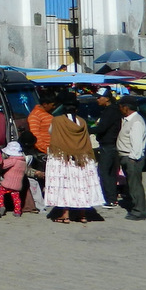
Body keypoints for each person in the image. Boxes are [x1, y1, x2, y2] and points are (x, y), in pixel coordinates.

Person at [45, 92, 104, 223]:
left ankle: (65, 215)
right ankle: (82, 215)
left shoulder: (57, 121)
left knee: (66, 185)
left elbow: (51, 132)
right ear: (76, 109)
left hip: (64, 158)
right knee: (81, 185)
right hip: (81, 158)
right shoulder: (82, 122)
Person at [117, 96, 146, 220]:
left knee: (135, 185)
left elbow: (136, 143)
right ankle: (137, 207)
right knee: (132, 185)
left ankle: (139, 211)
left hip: (132, 159)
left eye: (121, 107)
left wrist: (132, 159)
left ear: (126, 107)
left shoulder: (136, 121)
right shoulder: (127, 120)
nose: (120, 109)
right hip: (126, 157)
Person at [91, 89, 122, 208]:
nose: (97, 99)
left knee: (104, 172)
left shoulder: (110, 111)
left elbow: (102, 128)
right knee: (110, 172)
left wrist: (86, 129)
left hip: (108, 145)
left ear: (107, 98)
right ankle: (112, 197)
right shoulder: (111, 110)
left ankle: (110, 199)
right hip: (110, 145)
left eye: (99, 97)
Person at [0, 141, 26, 217]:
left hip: (7, 183)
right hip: (17, 185)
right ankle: (17, 211)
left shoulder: (13, 160)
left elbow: (2, 165)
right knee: (16, 198)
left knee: (0, 193)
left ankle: (1, 206)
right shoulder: (23, 162)